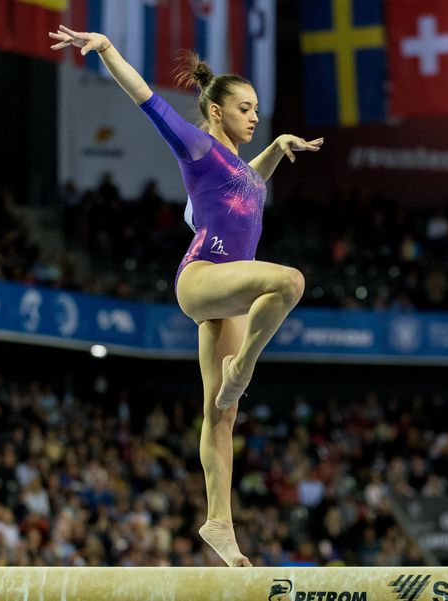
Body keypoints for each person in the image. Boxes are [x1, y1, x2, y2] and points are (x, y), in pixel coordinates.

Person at [50, 25, 322, 567]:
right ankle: (243, 366)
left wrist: (274, 146)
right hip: (202, 277)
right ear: (217, 111)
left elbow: (248, 185)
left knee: (221, 415)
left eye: (257, 108)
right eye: (245, 108)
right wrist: (106, 49)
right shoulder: (198, 146)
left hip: (232, 288)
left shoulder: (243, 168)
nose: (253, 115)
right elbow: (147, 101)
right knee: (289, 282)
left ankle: (219, 522)